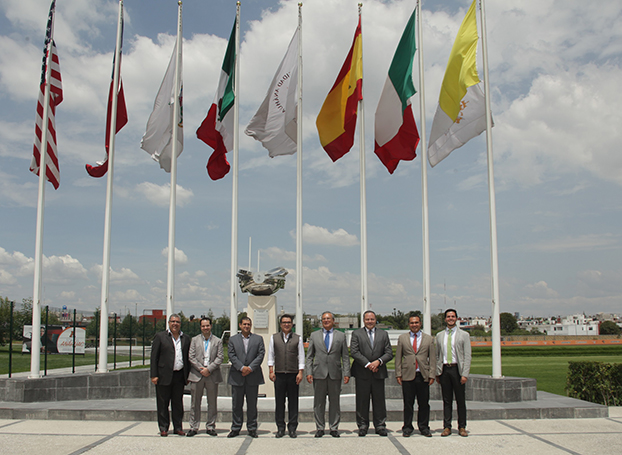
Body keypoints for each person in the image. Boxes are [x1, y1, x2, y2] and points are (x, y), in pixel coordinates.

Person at [305, 311, 350, 438]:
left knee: (334, 402)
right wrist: (309, 372)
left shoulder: (341, 336)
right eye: (324, 319)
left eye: (328, 319)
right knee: (319, 402)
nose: (326, 321)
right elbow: (309, 356)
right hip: (319, 373)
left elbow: (345, 357)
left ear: (333, 321)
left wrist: (347, 373)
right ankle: (319, 428)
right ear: (321, 321)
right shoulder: (314, 335)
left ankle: (334, 427)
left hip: (335, 374)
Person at [350, 310, 393, 437]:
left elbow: (389, 353)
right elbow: (354, 352)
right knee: (362, 401)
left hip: (378, 372)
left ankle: (380, 425)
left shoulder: (383, 334)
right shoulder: (356, 334)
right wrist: (368, 364)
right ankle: (362, 426)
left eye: (372, 319)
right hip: (362, 372)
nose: (370, 322)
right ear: (364, 320)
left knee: (379, 401)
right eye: (367, 319)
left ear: (376, 320)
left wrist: (378, 362)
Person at [150, 314, 191, 437]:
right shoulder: (160, 337)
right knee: (163, 403)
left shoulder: (186, 338)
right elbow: (154, 357)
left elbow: (188, 358)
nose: (175, 324)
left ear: (180, 324)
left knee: (178, 403)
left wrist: (187, 375)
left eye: (177, 322)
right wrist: (154, 375)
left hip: (179, 375)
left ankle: (178, 427)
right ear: (168, 323)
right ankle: (163, 427)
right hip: (163, 375)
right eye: (173, 321)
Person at [395, 314, 436, 437]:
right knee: (408, 403)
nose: (414, 325)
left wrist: (432, 374)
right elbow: (398, 357)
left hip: (423, 374)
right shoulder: (402, 338)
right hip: (407, 375)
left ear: (420, 323)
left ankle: (424, 427)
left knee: (424, 403)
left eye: (416, 323)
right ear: (409, 324)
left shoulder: (428, 339)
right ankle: (407, 427)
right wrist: (398, 373)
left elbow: (433, 358)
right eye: (412, 323)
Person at [436, 308, 472, 437]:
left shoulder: (464, 335)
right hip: (445, 369)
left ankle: (462, 426)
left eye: (453, 316)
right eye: (448, 316)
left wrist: (465, 374)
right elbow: (437, 355)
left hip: (457, 369)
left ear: (456, 318)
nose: (450, 318)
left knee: (460, 400)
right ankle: (447, 426)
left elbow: (467, 356)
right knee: (447, 400)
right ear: (445, 319)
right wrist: (437, 372)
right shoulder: (440, 335)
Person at [268, 313, 305, 438]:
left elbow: (301, 356)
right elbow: (271, 355)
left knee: (293, 402)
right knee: (279, 402)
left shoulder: (297, 338)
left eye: (289, 322)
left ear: (292, 324)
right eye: (284, 322)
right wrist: (271, 370)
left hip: (293, 374)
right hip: (279, 375)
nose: (286, 324)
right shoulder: (274, 338)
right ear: (280, 324)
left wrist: (300, 372)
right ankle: (280, 427)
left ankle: (293, 427)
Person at [227, 317, 265, 438]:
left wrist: (250, 368)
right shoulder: (233, 339)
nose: (246, 326)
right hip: (237, 376)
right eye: (244, 324)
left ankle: (252, 428)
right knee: (237, 404)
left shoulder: (258, 339)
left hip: (253, 376)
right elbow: (231, 355)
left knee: (252, 404)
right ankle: (236, 427)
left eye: (248, 324)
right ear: (240, 325)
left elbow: (261, 354)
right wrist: (242, 368)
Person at [187, 317, 223, 437]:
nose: (205, 328)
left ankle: (210, 426)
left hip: (212, 375)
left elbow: (220, 357)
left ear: (211, 326)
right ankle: (194, 426)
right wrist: (201, 369)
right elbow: (191, 357)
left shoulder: (217, 341)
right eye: (203, 326)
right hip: (197, 375)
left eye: (207, 325)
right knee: (195, 403)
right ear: (200, 327)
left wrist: (209, 369)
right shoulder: (194, 340)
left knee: (212, 403)